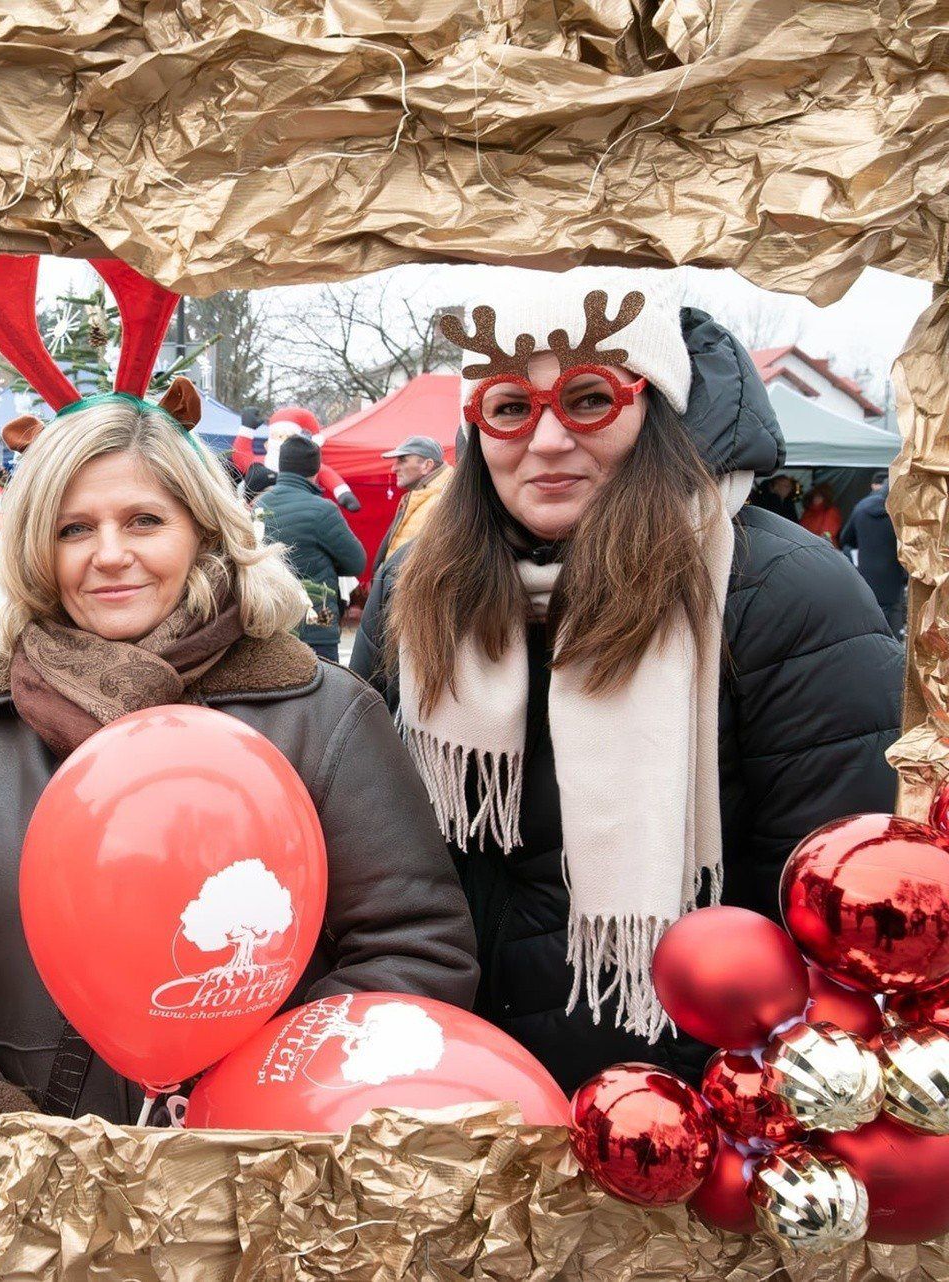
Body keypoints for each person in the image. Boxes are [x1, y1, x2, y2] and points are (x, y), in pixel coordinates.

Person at [351, 268, 902, 1090]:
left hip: (675, 1097)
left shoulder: (781, 591)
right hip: (447, 1077)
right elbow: (367, 839)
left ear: (656, 409)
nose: (545, 442)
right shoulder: (418, 586)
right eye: (508, 407)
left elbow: (831, 903)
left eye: (588, 399)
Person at [0, 391, 478, 1122]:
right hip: (44, 1195)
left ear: (203, 532)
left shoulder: (323, 717)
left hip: (259, 1185)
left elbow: (414, 949)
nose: (110, 554)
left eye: (145, 521)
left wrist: (260, 1109)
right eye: (74, 528)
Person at [255, 434, 366, 663]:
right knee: (322, 693)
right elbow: (357, 562)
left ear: (281, 465)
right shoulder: (323, 511)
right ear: (316, 471)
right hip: (316, 624)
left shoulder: (257, 506)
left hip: (270, 621)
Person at [840, 471, 907, 638]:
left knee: (870, 618)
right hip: (894, 576)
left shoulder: (861, 507)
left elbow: (845, 539)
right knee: (893, 624)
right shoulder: (900, 512)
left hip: (867, 574)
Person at [374, 435, 452, 567]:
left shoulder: (444, 502)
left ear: (427, 465)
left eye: (402, 460)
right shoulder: (420, 497)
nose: (394, 468)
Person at [798, 481, 843, 547]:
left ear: (826, 498)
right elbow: (801, 528)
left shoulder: (831, 512)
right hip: (806, 546)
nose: (816, 499)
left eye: (819, 497)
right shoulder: (808, 511)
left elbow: (827, 533)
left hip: (824, 547)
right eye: (815, 496)